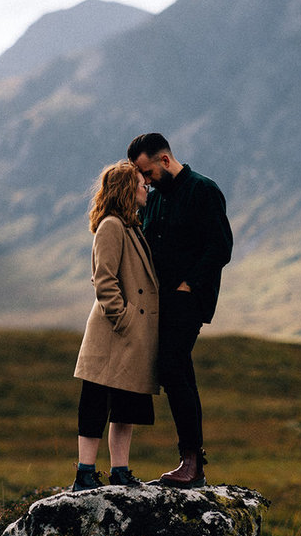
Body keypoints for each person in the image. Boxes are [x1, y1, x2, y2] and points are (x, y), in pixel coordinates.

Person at [129, 132, 232, 488]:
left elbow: (221, 246)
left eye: (147, 172)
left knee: (173, 368)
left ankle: (191, 462)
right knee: (177, 373)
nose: (145, 180)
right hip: (159, 303)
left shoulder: (203, 190)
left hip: (189, 299)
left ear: (164, 160)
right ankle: (191, 461)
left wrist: (190, 284)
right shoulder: (154, 200)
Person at [68, 160, 162, 491]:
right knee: (95, 403)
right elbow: (104, 279)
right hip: (112, 333)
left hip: (130, 334)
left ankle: (119, 470)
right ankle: (85, 473)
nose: (145, 189)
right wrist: (122, 318)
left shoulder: (131, 226)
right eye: (140, 183)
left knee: (126, 406)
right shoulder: (111, 226)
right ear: (126, 188)